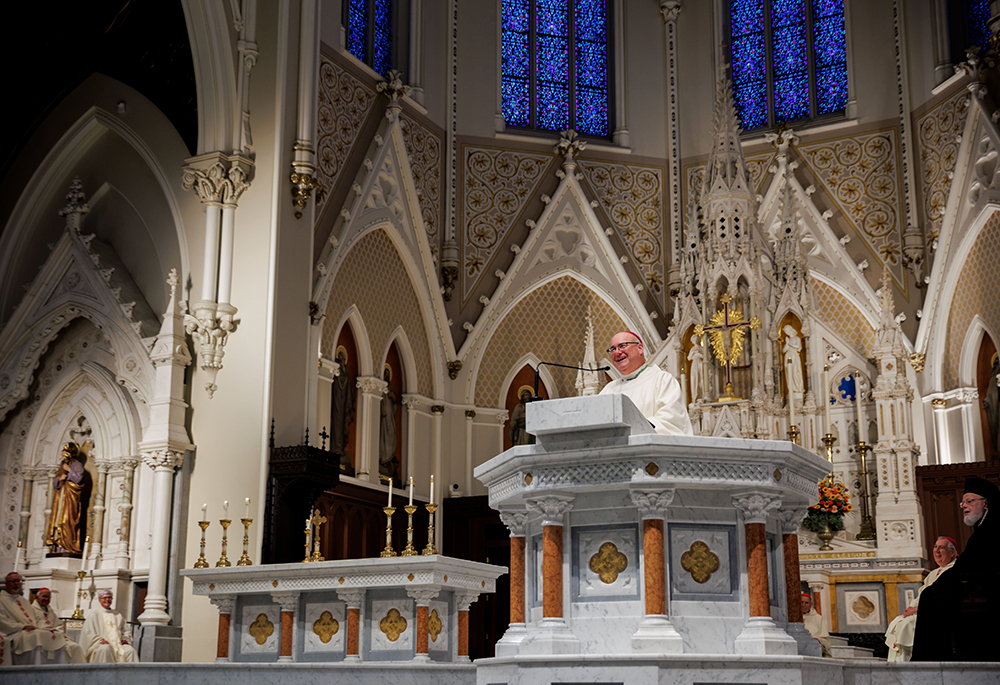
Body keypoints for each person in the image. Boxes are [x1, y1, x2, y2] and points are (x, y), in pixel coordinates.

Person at [911, 477, 1000, 661]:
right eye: (963, 502)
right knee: (930, 594)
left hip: (986, 590)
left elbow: (975, 565)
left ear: (986, 503)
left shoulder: (992, 529)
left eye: (969, 501)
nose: (964, 506)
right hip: (974, 585)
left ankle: (931, 658)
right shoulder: (981, 529)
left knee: (930, 597)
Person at [599, 331, 694, 435]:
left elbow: (671, 420)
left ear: (640, 348)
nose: (617, 352)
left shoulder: (662, 380)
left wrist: (630, 430)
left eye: (622, 346)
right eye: (613, 349)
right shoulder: (609, 390)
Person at [884, 536, 958, 662]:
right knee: (898, 621)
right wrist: (911, 608)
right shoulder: (933, 574)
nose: (937, 551)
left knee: (907, 625)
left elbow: (943, 599)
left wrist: (917, 609)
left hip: (936, 615)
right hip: (922, 612)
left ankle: (909, 665)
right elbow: (921, 595)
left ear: (952, 553)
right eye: (935, 547)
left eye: (942, 547)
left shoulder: (954, 571)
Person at [0, 572, 77, 664]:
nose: (16, 584)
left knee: (52, 635)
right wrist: (21, 627)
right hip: (14, 632)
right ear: (6, 583)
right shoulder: (1, 599)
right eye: (13, 581)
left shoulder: (23, 600)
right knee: (36, 636)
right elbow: (2, 620)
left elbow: (35, 619)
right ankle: (34, 670)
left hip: (30, 630)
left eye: (18, 581)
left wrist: (46, 628)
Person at [45, 442, 85, 554]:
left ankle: (69, 546)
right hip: (60, 498)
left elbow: (78, 480)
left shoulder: (77, 465)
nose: (63, 457)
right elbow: (55, 483)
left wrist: (69, 471)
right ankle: (58, 546)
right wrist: (60, 479)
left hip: (70, 499)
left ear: (71, 454)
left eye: (65, 454)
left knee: (67, 521)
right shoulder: (62, 466)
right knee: (58, 521)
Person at [30, 587, 86, 664]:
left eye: (48, 597)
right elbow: (32, 624)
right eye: (44, 596)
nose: (46, 599)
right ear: (37, 597)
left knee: (75, 647)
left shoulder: (49, 610)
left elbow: (58, 624)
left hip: (56, 636)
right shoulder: (31, 609)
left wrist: (57, 630)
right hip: (42, 638)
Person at [82, 589, 138, 663]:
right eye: (104, 598)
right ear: (99, 600)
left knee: (130, 651)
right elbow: (88, 633)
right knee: (105, 649)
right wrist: (100, 641)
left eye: (109, 597)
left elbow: (126, 630)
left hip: (118, 644)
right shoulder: (94, 615)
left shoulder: (118, 615)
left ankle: (129, 674)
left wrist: (125, 639)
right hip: (101, 644)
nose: (107, 600)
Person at [378, 367, 398, 480]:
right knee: (383, 439)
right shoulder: (380, 389)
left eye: (387, 376)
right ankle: (383, 460)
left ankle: (388, 459)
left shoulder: (390, 390)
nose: (386, 377)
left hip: (390, 419)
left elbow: (395, 404)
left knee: (390, 438)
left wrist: (393, 397)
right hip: (383, 419)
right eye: (385, 375)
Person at [801, 592, 831, 657]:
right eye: (801, 602)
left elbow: (825, 639)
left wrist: (818, 640)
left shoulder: (818, 618)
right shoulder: (792, 617)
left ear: (811, 604)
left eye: (806, 603)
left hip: (813, 646)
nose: (803, 605)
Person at [687, 334, 704, 403]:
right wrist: (693, 353)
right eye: (694, 340)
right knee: (694, 379)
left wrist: (700, 354)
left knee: (701, 378)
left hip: (700, 364)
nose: (695, 341)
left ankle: (701, 395)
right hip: (694, 364)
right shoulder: (692, 349)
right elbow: (688, 358)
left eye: (696, 339)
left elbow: (706, 357)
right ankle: (695, 396)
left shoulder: (701, 348)